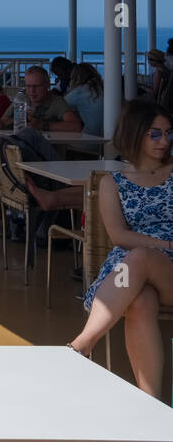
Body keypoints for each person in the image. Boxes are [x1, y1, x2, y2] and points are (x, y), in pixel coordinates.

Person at [70, 99, 173, 398]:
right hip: (130, 273)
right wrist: (164, 244)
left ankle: (83, 343)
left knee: (140, 257)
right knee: (140, 301)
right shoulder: (113, 182)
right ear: (135, 133)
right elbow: (118, 235)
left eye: (169, 133)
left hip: (166, 270)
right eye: (155, 134)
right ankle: (151, 403)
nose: (164, 141)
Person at [2, 65, 82, 133]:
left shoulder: (56, 101)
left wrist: (42, 125)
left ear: (48, 85)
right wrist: (21, 120)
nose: (32, 91)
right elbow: (3, 121)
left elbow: (76, 126)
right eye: (28, 86)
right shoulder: (21, 97)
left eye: (37, 86)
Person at [64, 62, 104, 137]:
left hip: (91, 137)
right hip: (110, 135)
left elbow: (61, 105)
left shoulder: (80, 91)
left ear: (76, 77)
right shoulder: (103, 87)